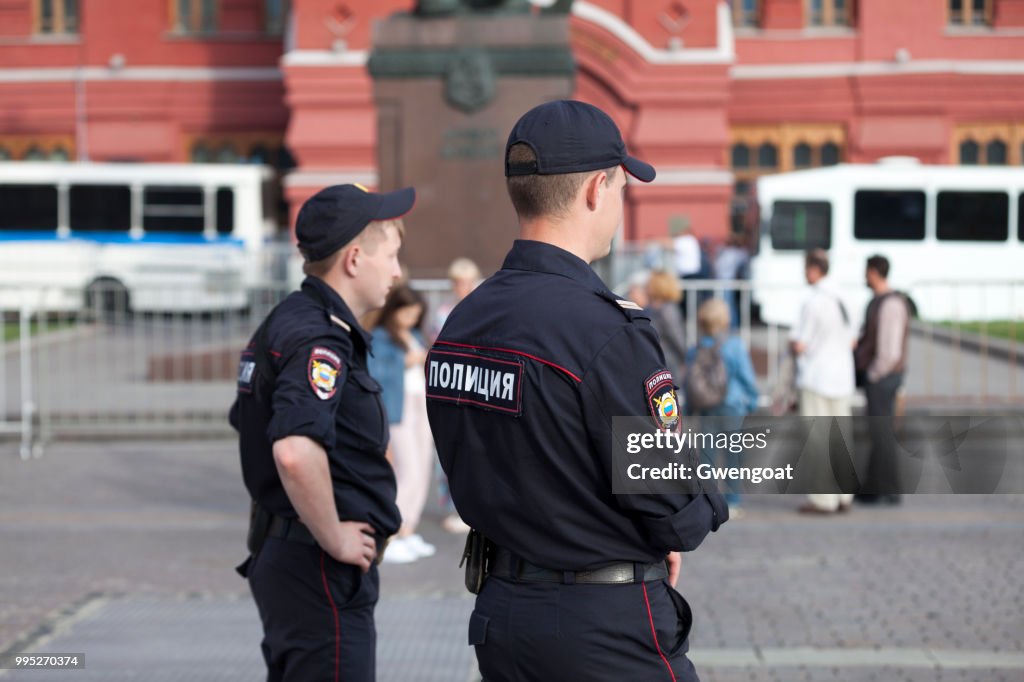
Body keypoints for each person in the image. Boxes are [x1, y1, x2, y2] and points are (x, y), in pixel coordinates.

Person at [425, 99, 727, 681]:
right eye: (620, 187)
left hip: (504, 617)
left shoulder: (463, 321)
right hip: (602, 630)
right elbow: (672, 508)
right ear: (596, 189)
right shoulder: (606, 331)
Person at [230, 183, 413, 682]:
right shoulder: (318, 337)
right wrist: (334, 536)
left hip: (290, 559)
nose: (397, 272)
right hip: (316, 567)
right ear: (354, 259)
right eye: (392, 256)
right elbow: (292, 450)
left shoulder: (291, 320)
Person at [368, 284, 437, 564]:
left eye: (415, 313)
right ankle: (392, 533)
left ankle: (408, 530)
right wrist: (407, 361)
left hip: (420, 403)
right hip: (399, 407)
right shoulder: (381, 336)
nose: (410, 318)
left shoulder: (414, 334)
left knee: (422, 468)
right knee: (406, 469)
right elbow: (376, 371)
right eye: (407, 312)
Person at [789, 249, 856, 515]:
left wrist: (793, 345)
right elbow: (852, 338)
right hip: (843, 376)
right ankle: (844, 494)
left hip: (817, 376)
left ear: (814, 269)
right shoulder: (844, 297)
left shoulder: (814, 302)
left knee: (817, 440)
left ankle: (822, 497)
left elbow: (801, 344)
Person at [683, 297, 759, 516]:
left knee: (707, 454)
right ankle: (732, 503)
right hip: (732, 405)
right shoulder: (734, 345)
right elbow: (746, 376)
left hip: (706, 407)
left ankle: (707, 502)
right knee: (733, 455)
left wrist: (688, 408)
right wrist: (752, 400)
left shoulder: (696, 347)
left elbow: (690, 380)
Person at [431, 257, 482, 534]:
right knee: (447, 448)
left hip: (476, 386)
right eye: (458, 282)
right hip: (450, 389)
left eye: (466, 281)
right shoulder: (443, 312)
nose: (462, 287)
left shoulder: (482, 310)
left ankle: (472, 506)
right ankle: (453, 505)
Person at [854, 254, 910, 505]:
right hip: (882, 376)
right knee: (879, 432)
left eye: (867, 271)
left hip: (883, 377)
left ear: (875, 272)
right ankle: (875, 487)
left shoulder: (890, 304)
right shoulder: (881, 302)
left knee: (882, 433)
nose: (864, 276)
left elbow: (890, 351)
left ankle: (888, 488)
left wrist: (873, 375)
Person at [646, 270, 687, 376]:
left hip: (668, 363)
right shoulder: (654, 309)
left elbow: (677, 338)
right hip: (658, 361)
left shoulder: (667, 310)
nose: (647, 286)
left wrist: (684, 359)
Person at [714, 232, 750, 329]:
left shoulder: (737, 253)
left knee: (728, 304)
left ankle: (733, 325)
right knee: (725, 304)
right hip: (722, 280)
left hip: (727, 280)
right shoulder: (727, 251)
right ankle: (729, 324)